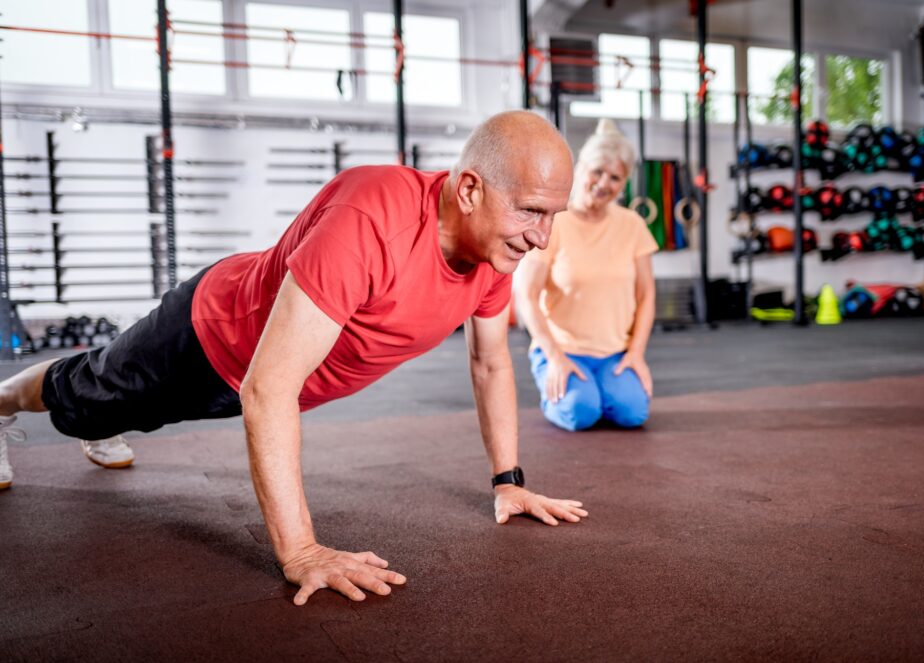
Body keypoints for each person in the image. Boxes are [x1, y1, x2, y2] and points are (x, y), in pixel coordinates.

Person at [0, 110, 588, 605]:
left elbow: (490, 363)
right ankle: (2, 402)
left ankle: (103, 424)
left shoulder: (492, 253)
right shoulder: (373, 217)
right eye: (531, 211)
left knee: (118, 414)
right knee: (77, 395)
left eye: (553, 215)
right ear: (469, 190)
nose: (543, 238)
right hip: (207, 336)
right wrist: (301, 552)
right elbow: (267, 388)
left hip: (260, 382)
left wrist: (508, 483)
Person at [514, 119, 657, 432]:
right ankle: (567, 391)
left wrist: (636, 354)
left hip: (614, 353)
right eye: (597, 171)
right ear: (580, 168)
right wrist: (554, 357)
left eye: (615, 177)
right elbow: (526, 295)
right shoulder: (553, 222)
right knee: (581, 413)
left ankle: (602, 389)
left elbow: (646, 295)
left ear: (624, 183)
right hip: (564, 349)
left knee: (633, 413)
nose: (604, 182)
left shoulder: (632, 225)